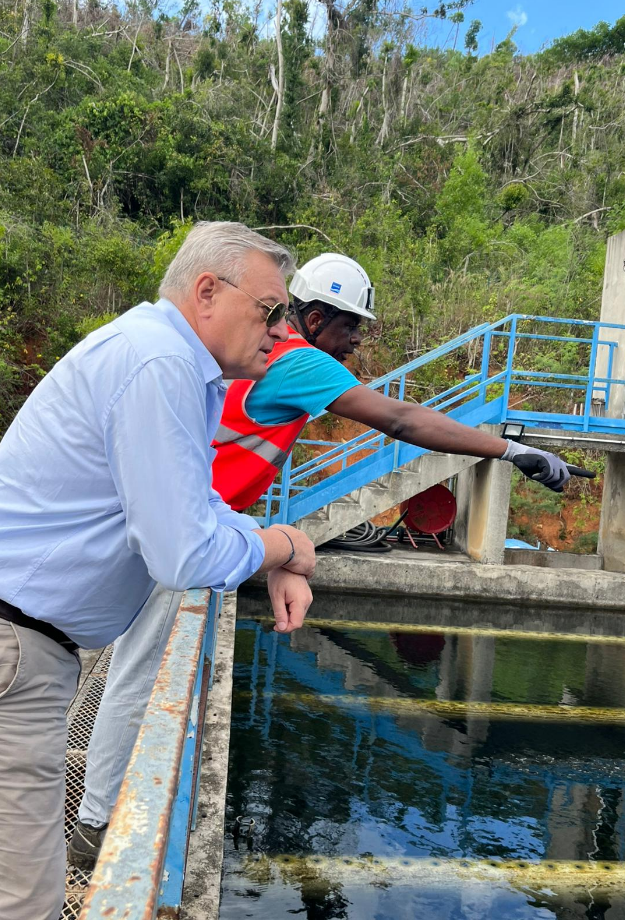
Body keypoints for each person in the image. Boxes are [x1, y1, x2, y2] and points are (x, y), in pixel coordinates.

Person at [68, 251, 571, 872]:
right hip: (184, 531)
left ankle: (102, 817)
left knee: (135, 671)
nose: (357, 340)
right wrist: (510, 450)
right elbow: (401, 419)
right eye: (350, 325)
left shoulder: (256, 358)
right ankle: (98, 828)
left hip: (184, 519)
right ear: (313, 318)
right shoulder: (297, 360)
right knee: (141, 677)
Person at [0, 222, 316, 920]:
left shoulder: (170, 362)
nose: (280, 330)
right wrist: (281, 547)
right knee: (25, 900)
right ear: (207, 291)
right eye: (270, 310)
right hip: (16, 651)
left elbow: (197, 505)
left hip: (25, 643)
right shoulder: (161, 364)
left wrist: (281, 546)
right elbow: (181, 554)